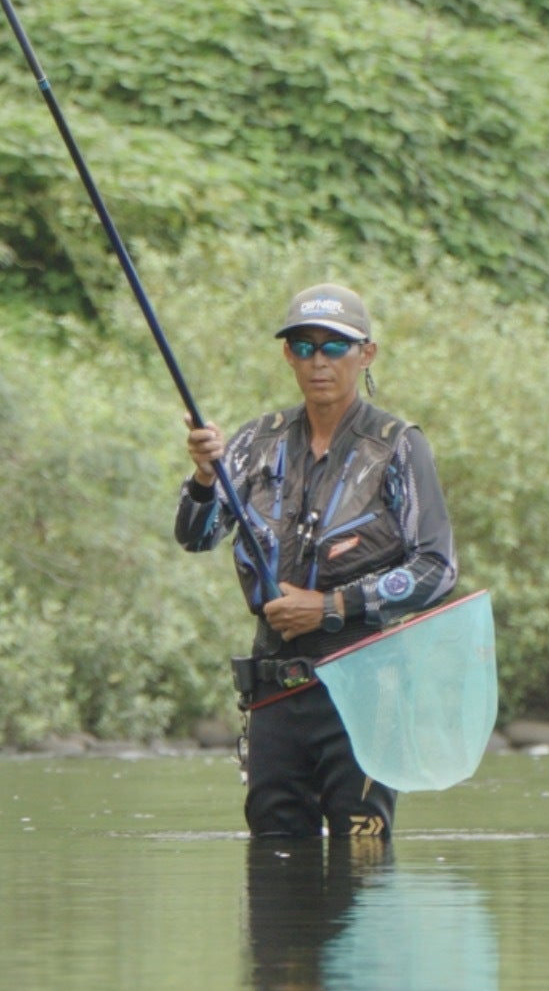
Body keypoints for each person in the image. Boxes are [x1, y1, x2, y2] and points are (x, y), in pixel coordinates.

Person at [175, 284, 457, 841]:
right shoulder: (256, 441)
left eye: (334, 347)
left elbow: (437, 569)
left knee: (363, 868)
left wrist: (330, 606)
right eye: (303, 347)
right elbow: (196, 535)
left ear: (366, 354)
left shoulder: (399, 446)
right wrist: (206, 477)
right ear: (287, 356)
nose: (318, 361)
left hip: (365, 693)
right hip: (274, 693)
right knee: (275, 878)